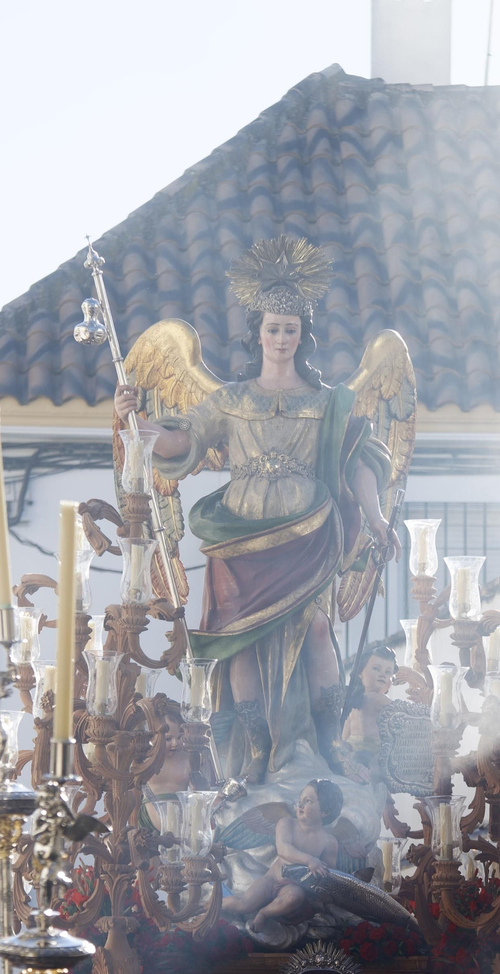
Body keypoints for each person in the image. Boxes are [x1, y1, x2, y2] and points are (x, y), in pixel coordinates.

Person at [114, 237, 398, 784]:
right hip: (241, 538)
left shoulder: (327, 403)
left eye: (291, 329)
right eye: (273, 328)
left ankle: (328, 743)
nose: (282, 338)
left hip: (311, 535)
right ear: (258, 332)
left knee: (319, 632)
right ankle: (255, 752)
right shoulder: (230, 400)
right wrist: (139, 425)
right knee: (240, 644)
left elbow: (360, 462)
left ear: (302, 335)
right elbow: (182, 441)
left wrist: (378, 516)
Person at [218, 779, 344, 932]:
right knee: (244, 904)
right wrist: (310, 860)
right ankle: (211, 906)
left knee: (294, 897)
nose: (300, 805)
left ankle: (264, 913)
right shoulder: (287, 824)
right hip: (272, 879)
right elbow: (284, 849)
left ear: (325, 811)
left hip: (293, 886)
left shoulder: (329, 842)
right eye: (300, 800)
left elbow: (330, 873)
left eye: (308, 801)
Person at [330, 644, 398, 784]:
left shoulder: (354, 703)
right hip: (369, 751)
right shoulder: (379, 699)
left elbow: (344, 737)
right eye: (376, 668)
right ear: (360, 673)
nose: (382, 675)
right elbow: (401, 713)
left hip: (354, 750)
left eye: (388, 672)